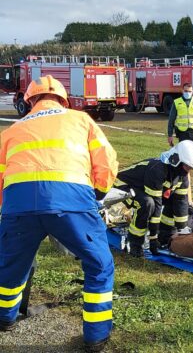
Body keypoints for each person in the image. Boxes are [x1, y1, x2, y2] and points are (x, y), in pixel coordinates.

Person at [0, 75, 118, 352]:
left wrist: (6, 209)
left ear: (29, 100)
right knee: (99, 265)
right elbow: (107, 161)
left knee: (10, 266)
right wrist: (99, 191)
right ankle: (96, 336)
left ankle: (5, 319)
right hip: (72, 201)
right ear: (63, 99)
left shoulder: (11, 131)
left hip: (19, 206)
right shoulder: (81, 120)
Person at [114, 140, 193, 257]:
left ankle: (165, 235)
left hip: (144, 190)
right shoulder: (158, 169)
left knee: (172, 200)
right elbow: (156, 205)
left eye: (190, 167)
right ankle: (135, 242)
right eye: (186, 166)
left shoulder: (181, 176)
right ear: (176, 160)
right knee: (147, 204)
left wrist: (182, 230)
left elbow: (181, 202)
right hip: (122, 185)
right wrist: (153, 238)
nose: (187, 170)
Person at [167, 82, 193, 188]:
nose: (188, 93)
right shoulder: (177, 102)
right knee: (183, 156)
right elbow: (171, 120)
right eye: (186, 91)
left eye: (190, 91)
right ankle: (181, 179)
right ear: (182, 90)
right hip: (183, 133)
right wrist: (170, 134)